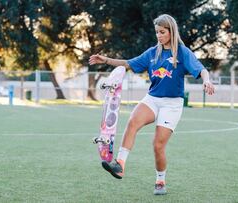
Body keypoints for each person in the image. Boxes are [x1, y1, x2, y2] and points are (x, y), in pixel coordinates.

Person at [89, 14, 215, 195]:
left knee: (157, 145)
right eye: (157, 32)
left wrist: (207, 81)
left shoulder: (182, 52)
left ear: (171, 31)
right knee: (133, 121)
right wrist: (106, 60)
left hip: (172, 104)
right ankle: (120, 164)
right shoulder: (152, 53)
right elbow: (128, 63)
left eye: (162, 32)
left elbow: (201, 69)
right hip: (153, 99)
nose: (159, 35)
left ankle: (160, 180)